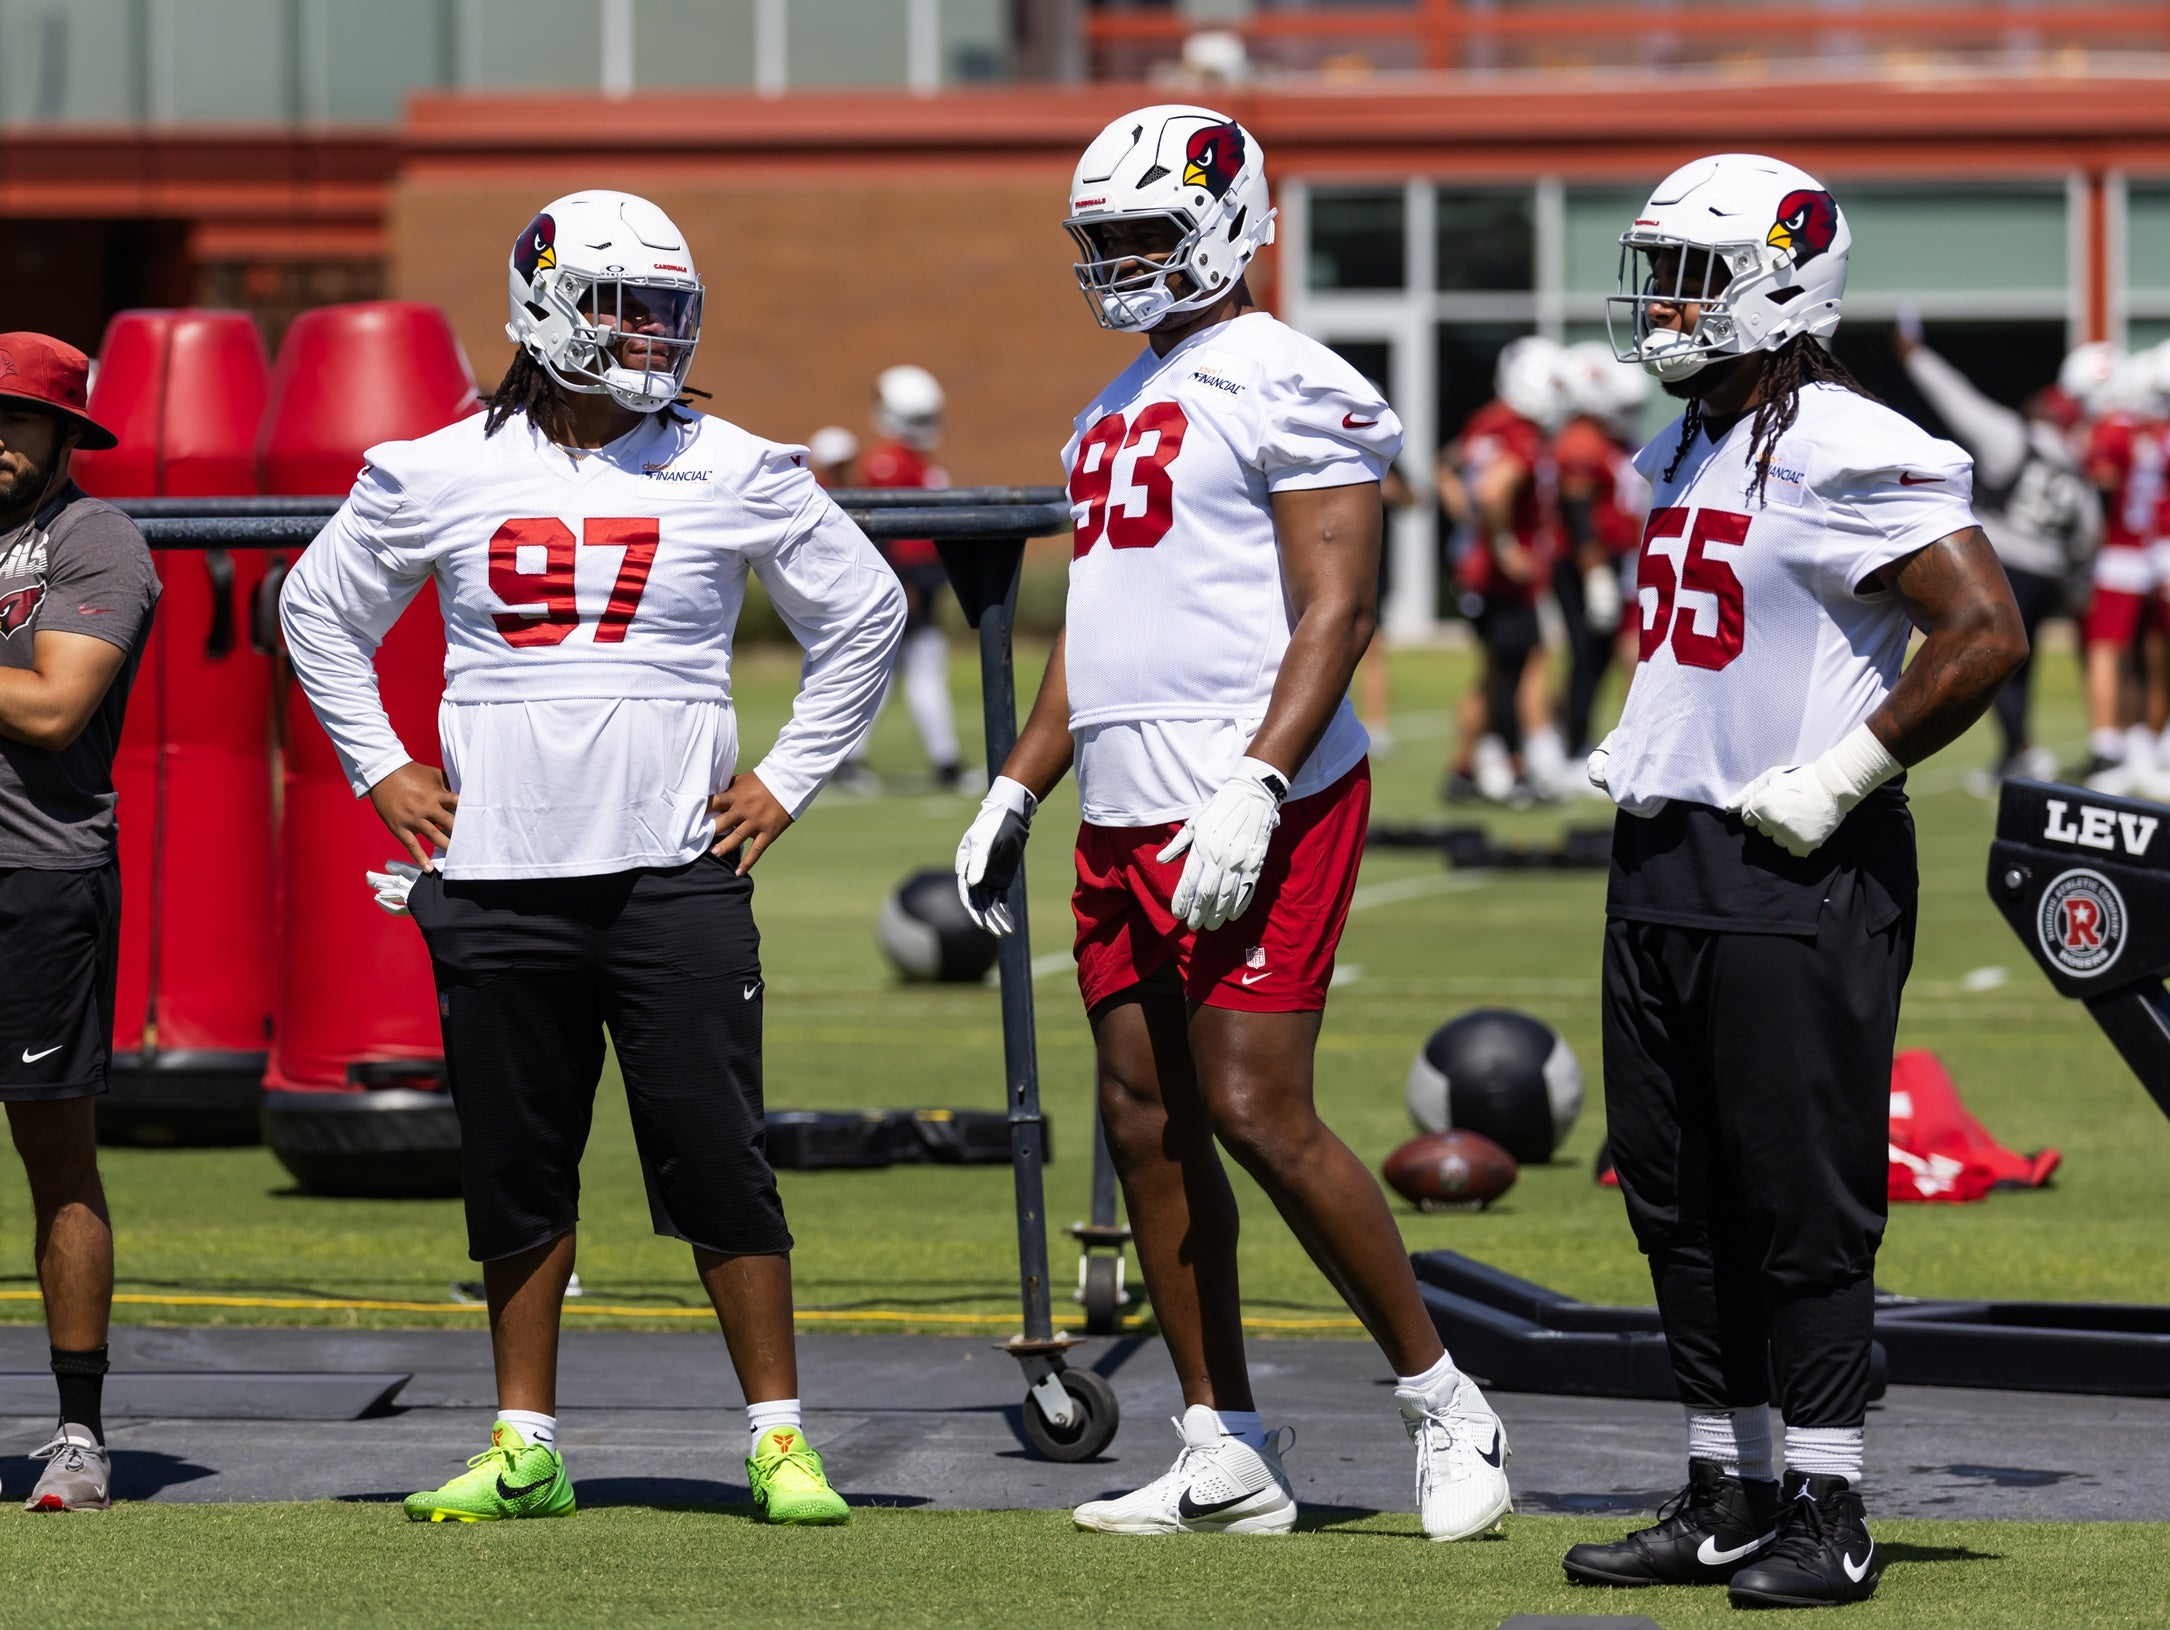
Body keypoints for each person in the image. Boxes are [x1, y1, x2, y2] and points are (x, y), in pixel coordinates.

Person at [280, 190, 904, 1527]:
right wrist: (381, 764)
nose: (647, 337)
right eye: (622, 307)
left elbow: (865, 611)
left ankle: (779, 1438)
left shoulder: (732, 462)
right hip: (500, 870)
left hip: (672, 871)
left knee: (715, 1152)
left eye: (665, 312)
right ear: (545, 304)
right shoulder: (436, 467)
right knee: (515, 1160)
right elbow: (315, 611)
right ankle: (524, 1441)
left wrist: (786, 778)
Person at [953, 104, 1513, 1541]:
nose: (1124, 261)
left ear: (1227, 223)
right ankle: (1222, 1443)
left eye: (1146, 231)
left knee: (1256, 1105)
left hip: (1261, 796)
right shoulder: (1107, 405)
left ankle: (1445, 1401)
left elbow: (1339, 604)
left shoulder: (1288, 377)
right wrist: (1021, 778)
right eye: (1107, 240)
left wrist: (1257, 779)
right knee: (1143, 1117)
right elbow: (1101, 622)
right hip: (1126, 808)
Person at [1576, 155, 2025, 1608]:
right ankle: (1728, 1483)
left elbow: (1981, 631)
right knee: (1674, 1188)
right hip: (1665, 848)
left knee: (1799, 1192)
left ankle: (1829, 1502)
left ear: (1780, 280)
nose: (1665, 305)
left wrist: (1843, 770)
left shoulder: (1846, 439)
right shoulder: (1691, 434)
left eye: (1694, 275)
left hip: (1795, 858)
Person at [0, 334, 160, 1515]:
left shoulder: (93, 540)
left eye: (20, 421)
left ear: (65, 438)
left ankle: (77, 1433)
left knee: (55, 1156)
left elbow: (55, 706)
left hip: (34, 882)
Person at [1893, 311, 2100, 787]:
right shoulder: (2074, 464)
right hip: (2050, 574)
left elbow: (1958, 401)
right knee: (2020, 664)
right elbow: (2088, 531)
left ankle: (2022, 753)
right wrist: (2074, 578)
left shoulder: (2014, 436)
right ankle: (2016, 752)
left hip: (2008, 562)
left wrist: (1916, 356)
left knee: (1987, 655)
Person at [1444, 336, 1570, 804]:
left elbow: (1449, 469)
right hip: (1499, 576)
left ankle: (1463, 771)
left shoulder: (1487, 422)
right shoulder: (1517, 430)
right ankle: (1516, 771)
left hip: (1479, 571)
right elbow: (1497, 490)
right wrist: (1500, 544)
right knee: (1515, 671)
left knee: (1498, 671)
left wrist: (1468, 523)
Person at [862, 365, 965, 790]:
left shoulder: (913, 460)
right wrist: (903, 583)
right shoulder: (888, 462)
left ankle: (851, 758)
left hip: (919, 580)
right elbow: (889, 532)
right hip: (906, 581)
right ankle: (946, 761)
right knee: (914, 670)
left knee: (898, 673)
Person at [1553, 340, 1653, 760]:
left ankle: (1585, 741)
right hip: (1590, 563)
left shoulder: (1613, 442)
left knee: (1614, 655)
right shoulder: (1581, 442)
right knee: (1587, 657)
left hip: (1621, 560)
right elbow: (1577, 510)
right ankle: (1571, 747)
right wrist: (1594, 570)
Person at [806, 424, 859, 490]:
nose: (840, 473)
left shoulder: (867, 487)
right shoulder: (811, 492)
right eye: (833, 469)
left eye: (844, 466)